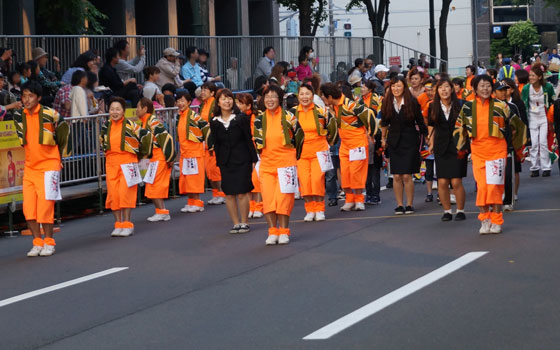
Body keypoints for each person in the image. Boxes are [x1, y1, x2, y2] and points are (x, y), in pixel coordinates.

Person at [14, 81, 71, 256]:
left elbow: (63, 133)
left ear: (38, 98)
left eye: (31, 96)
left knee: (45, 207)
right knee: (29, 208)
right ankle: (37, 242)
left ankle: (49, 242)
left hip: (49, 165)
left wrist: (58, 157)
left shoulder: (50, 114)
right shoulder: (18, 116)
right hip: (30, 166)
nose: (27, 99)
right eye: (24, 96)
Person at [456, 75, 510, 234]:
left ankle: (497, 220)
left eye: (488, 85)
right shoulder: (467, 107)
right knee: (482, 187)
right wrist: (459, 147)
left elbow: (514, 126)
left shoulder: (501, 106)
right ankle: (484, 219)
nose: (485, 89)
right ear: (475, 89)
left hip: (497, 149)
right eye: (482, 86)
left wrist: (519, 148)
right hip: (478, 150)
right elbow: (459, 128)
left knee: (495, 187)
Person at [254, 84, 303, 245]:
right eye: (267, 97)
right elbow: (257, 141)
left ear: (280, 98)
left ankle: (283, 231)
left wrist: (295, 156)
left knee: (283, 200)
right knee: (268, 200)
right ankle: (272, 231)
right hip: (267, 164)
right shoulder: (259, 120)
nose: (270, 100)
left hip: (286, 163)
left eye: (273, 96)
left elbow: (299, 138)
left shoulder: (290, 117)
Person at [321, 82, 376, 212]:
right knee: (345, 173)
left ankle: (359, 200)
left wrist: (371, 134)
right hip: (344, 144)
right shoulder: (333, 107)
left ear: (329, 96)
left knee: (356, 172)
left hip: (357, 142)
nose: (322, 99)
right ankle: (349, 199)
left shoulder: (350, 105)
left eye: (323, 96)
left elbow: (370, 116)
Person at [100, 97, 150, 237]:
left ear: (123, 111)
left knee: (125, 193)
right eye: (112, 109)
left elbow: (146, 138)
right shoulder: (106, 126)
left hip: (128, 162)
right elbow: (102, 142)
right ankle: (118, 224)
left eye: (118, 109)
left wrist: (141, 155)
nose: (114, 112)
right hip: (111, 163)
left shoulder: (131, 125)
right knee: (114, 195)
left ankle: (127, 224)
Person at [210, 89, 258, 233]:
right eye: (223, 99)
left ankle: (244, 222)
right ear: (218, 102)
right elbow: (216, 143)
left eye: (229, 98)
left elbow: (248, 139)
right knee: (229, 193)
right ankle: (236, 223)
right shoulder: (214, 121)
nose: (227, 101)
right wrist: (219, 161)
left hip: (242, 159)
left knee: (242, 191)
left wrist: (253, 159)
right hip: (226, 161)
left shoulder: (241, 118)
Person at [380, 76, 428, 215]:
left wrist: (426, 137)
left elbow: (420, 121)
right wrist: (383, 138)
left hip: (410, 140)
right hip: (394, 141)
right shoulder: (387, 102)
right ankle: (399, 204)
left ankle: (409, 204)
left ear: (404, 88)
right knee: (396, 176)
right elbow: (384, 122)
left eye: (399, 86)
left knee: (407, 175)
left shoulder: (412, 102)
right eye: (393, 86)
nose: (396, 89)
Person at [292, 83, 337, 221]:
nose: (304, 97)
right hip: (301, 153)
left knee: (317, 180)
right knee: (305, 182)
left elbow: (333, 128)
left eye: (307, 94)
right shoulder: (292, 113)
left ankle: (319, 208)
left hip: (319, 151)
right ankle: (309, 209)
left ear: (312, 96)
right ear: (298, 96)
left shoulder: (321, 111)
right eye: (302, 94)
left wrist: (329, 143)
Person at [427, 78, 467, 221]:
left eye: (446, 87)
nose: (444, 90)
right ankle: (447, 211)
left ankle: (460, 210)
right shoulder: (432, 106)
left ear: (452, 89)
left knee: (456, 181)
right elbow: (431, 126)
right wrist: (431, 143)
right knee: (442, 182)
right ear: (437, 91)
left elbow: (468, 125)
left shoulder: (461, 104)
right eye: (440, 88)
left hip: (457, 146)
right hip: (441, 146)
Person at [137, 98, 176, 222]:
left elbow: (166, 138)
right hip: (151, 158)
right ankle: (160, 211)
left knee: (155, 185)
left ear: (144, 108)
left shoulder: (152, 121)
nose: (136, 110)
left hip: (158, 157)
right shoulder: (144, 122)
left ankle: (162, 212)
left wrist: (169, 157)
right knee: (151, 184)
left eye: (138, 107)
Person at [494, 81, 527, 212]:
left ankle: (508, 200)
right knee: (495, 174)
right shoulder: (490, 107)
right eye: (500, 90)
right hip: (493, 146)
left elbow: (518, 127)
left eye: (505, 90)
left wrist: (518, 144)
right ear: (494, 92)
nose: (503, 92)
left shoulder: (512, 107)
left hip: (508, 146)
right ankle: (496, 198)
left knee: (508, 174)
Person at [176, 90, 210, 213]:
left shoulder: (194, 116)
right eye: (178, 101)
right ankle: (190, 202)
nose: (180, 103)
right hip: (185, 153)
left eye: (183, 101)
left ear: (189, 102)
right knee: (187, 179)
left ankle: (197, 202)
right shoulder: (179, 116)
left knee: (194, 179)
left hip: (194, 152)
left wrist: (207, 145)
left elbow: (206, 129)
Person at [521, 65, 555, 177]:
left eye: (533, 75)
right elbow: (523, 103)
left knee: (543, 143)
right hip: (532, 117)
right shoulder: (526, 89)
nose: (530, 77)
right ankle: (534, 167)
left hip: (544, 117)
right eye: (530, 75)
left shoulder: (548, 87)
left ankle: (546, 167)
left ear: (540, 77)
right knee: (534, 143)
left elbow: (553, 101)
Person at [236, 93, 263, 218]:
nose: (238, 105)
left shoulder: (257, 117)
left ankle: (258, 206)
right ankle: (251, 206)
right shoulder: (237, 118)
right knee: (248, 181)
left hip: (257, 153)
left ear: (248, 105)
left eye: (240, 103)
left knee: (256, 181)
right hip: (244, 153)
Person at [198, 82, 226, 205]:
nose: (202, 92)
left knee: (215, 169)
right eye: (202, 90)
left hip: (215, 140)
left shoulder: (216, 105)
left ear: (212, 93)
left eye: (205, 90)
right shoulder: (201, 106)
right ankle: (215, 193)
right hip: (205, 141)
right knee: (208, 169)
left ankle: (222, 193)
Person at [503, 78, 528, 205]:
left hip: (514, 141)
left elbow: (523, 123)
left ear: (512, 89)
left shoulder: (517, 104)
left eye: (506, 87)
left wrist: (524, 141)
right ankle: (504, 193)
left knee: (515, 169)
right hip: (501, 142)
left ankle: (514, 193)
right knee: (503, 169)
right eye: (501, 88)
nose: (504, 90)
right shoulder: (496, 104)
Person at [359, 80, 383, 205]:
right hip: (362, 136)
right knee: (366, 168)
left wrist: (374, 131)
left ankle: (376, 194)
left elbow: (380, 117)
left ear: (370, 89)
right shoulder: (359, 101)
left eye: (364, 87)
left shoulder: (378, 100)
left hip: (376, 136)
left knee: (375, 168)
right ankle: (368, 193)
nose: (362, 89)